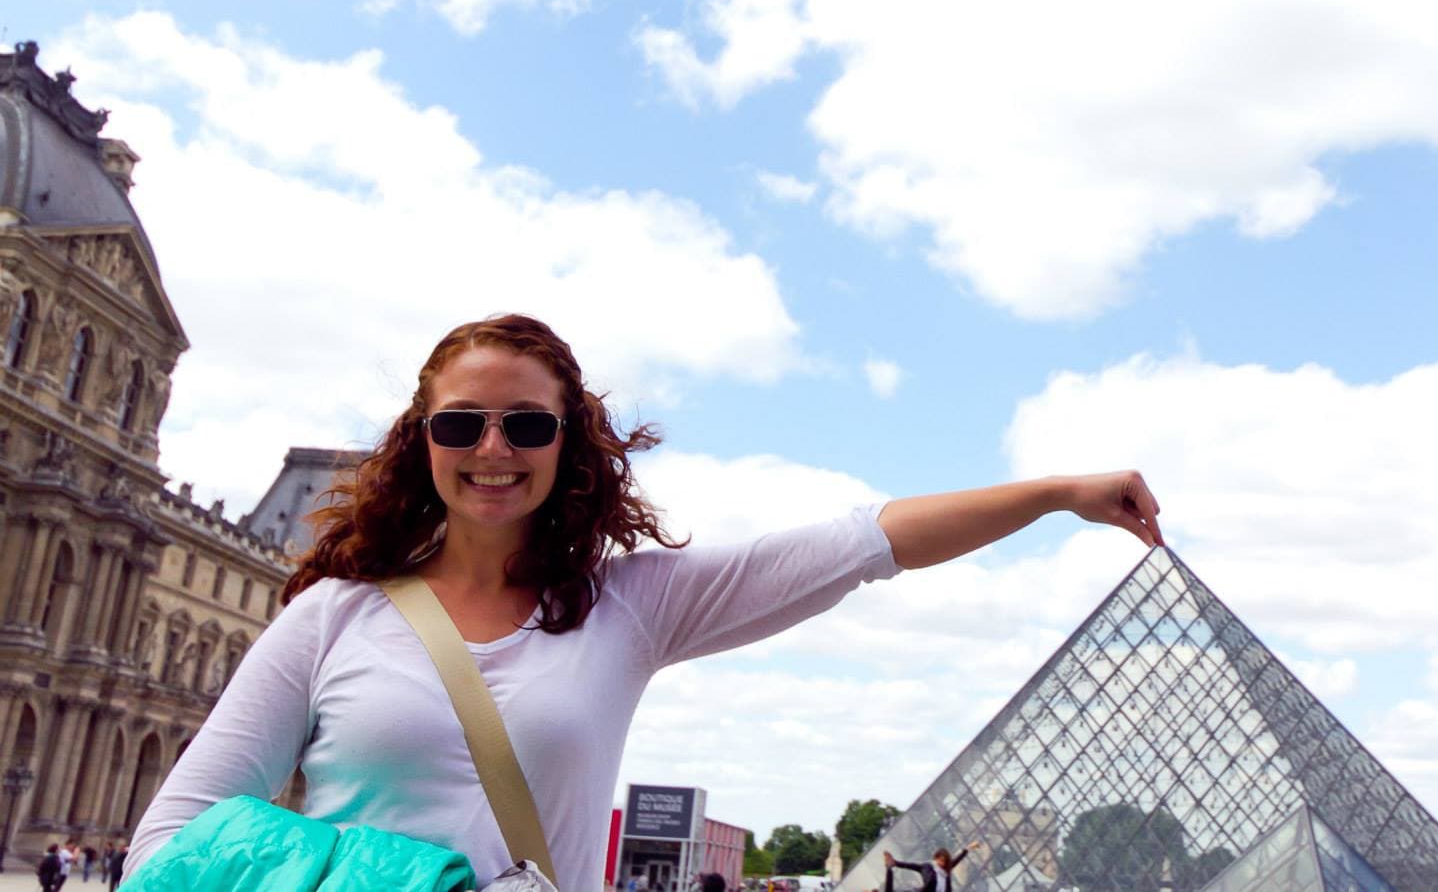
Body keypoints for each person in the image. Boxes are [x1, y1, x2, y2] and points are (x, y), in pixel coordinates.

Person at [124, 315, 1162, 890]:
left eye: (527, 427)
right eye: (463, 425)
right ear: (421, 440)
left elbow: (859, 543)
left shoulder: (627, 609)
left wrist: (1055, 493)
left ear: (568, 446)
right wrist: (396, 882)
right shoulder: (330, 620)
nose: (494, 450)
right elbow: (167, 847)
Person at [883, 841, 984, 892]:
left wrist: (970, 847)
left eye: (944, 862)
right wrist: (895, 863)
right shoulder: (928, 868)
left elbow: (958, 858)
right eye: (940, 861)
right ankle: (889, 868)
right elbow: (912, 866)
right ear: (936, 858)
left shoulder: (946, 871)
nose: (942, 864)